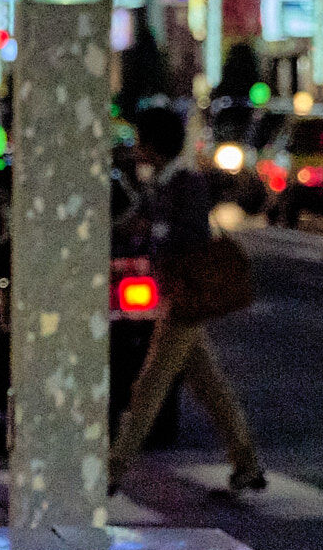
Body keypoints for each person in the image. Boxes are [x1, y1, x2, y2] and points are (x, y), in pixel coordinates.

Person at [111, 105, 266, 497]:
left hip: (188, 295)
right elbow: (131, 223)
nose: (136, 148)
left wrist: (155, 233)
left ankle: (113, 468)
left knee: (151, 383)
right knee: (208, 383)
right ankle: (246, 463)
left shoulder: (186, 183)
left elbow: (189, 236)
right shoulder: (159, 183)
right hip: (177, 292)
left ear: (153, 144)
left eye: (140, 141)